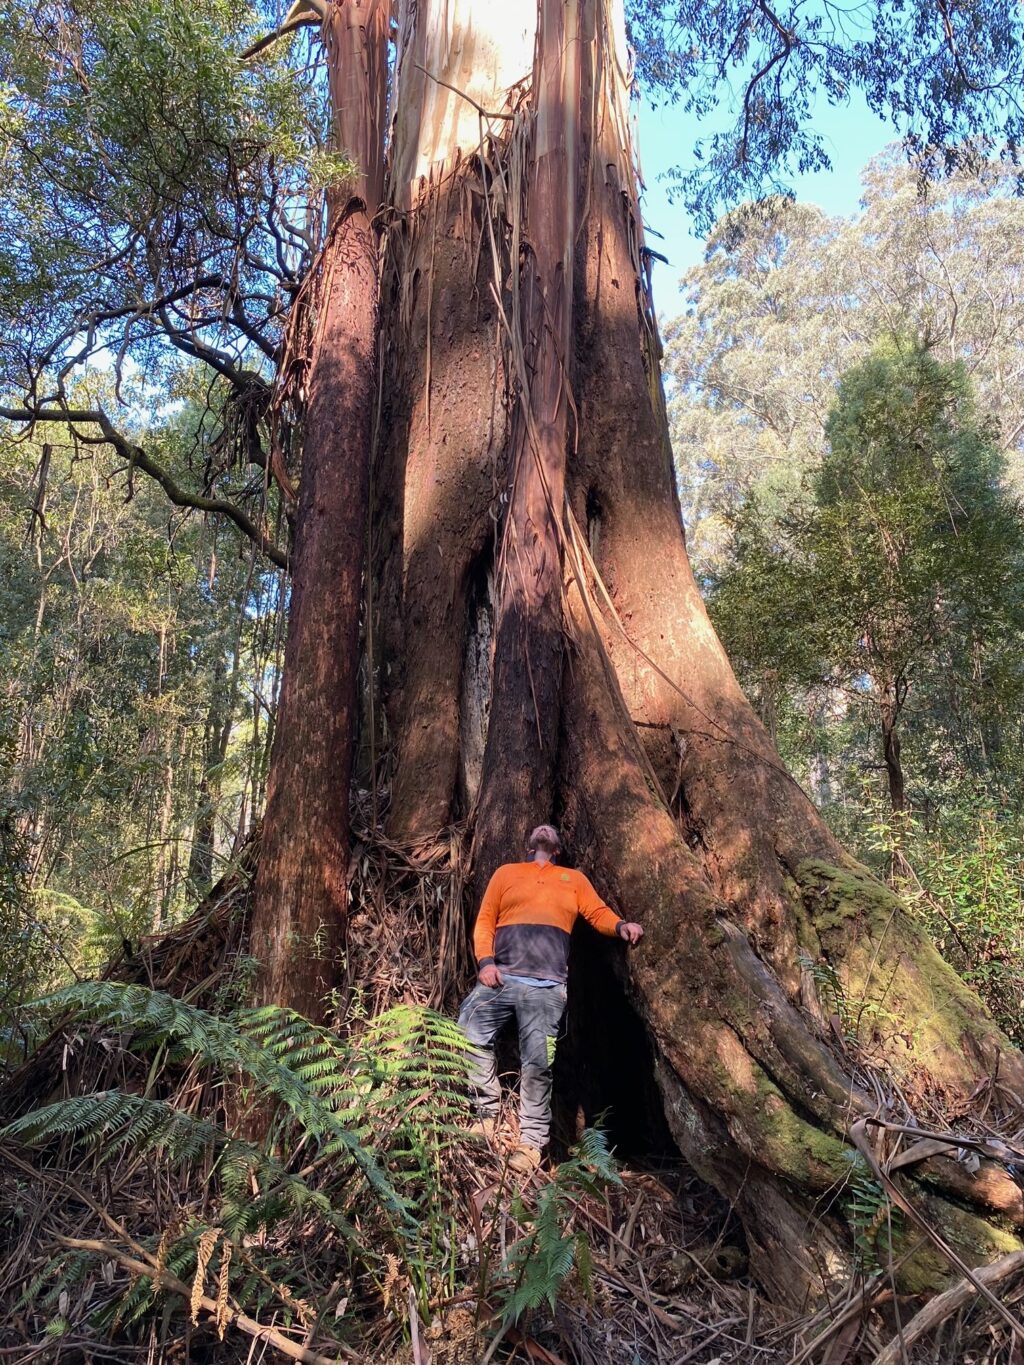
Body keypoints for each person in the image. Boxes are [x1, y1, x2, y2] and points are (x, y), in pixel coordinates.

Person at [458, 823, 644, 1174]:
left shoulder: (573, 879)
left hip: (547, 988)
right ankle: (485, 1113)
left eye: (551, 830)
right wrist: (485, 962)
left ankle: (529, 1145)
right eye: (538, 828)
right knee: (467, 1029)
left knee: (537, 1064)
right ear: (529, 843)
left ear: (556, 848)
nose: (544, 828)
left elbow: (597, 912)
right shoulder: (506, 874)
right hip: (502, 978)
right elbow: (485, 921)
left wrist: (621, 927)